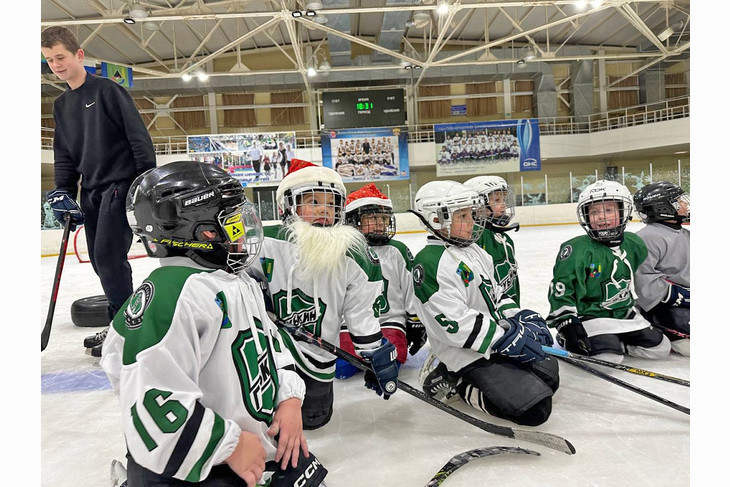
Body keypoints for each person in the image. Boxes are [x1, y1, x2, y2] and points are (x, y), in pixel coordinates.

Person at [99, 161, 327, 487]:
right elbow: (152, 403)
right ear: (200, 230)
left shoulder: (235, 280)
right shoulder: (172, 294)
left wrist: (289, 399)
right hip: (203, 462)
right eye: (231, 219)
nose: (244, 227)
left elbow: (271, 346)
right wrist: (227, 446)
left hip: (256, 441)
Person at [250, 159, 400, 430]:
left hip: (318, 354)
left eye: (331, 203)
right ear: (288, 206)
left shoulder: (354, 254)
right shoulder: (264, 243)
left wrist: (374, 352)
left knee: (315, 419)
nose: (324, 210)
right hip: (269, 352)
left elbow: (360, 311)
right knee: (261, 419)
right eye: (313, 201)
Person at [41, 26, 156, 357]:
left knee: (108, 257)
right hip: (91, 191)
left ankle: (124, 331)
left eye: (60, 57)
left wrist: (142, 187)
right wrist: (63, 191)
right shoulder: (62, 104)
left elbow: (139, 140)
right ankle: (122, 324)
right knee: (100, 260)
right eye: (49, 60)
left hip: (120, 186)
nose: (56, 65)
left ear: (79, 55)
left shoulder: (107, 90)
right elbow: (63, 154)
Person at [410, 180, 559, 427]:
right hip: (461, 350)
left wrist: (521, 317)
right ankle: (454, 380)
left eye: (472, 214)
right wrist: (503, 338)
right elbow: (455, 324)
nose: (472, 221)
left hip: (490, 339)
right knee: (534, 409)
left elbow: (497, 295)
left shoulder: (475, 251)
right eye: (462, 216)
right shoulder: (430, 262)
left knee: (549, 375)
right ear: (436, 219)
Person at [546, 179, 671, 364]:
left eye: (609, 210)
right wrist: (567, 323)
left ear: (623, 212)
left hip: (624, 313)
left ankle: (619, 341)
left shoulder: (634, 243)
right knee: (608, 359)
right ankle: (579, 340)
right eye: (594, 211)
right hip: (591, 316)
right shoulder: (576, 250)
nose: (601, 217)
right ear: (586, 216)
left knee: (661, 348)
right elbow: (561, 288)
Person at [335, 184, 425, 380]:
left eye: (383, 219)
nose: (379, 224)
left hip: (389, 321)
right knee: (341, 370)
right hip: (349, 325)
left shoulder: (397, 250)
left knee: (389, 365)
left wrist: (416, 323)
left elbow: (411, 289)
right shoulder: (342, 252)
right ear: (354, 222)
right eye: (372, 218)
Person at [633, 181, 690, 356]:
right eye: (680, 201)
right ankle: (661, 329)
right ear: (663, 207)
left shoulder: (685, 234)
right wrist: (683, 296)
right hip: (664, 306)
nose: (686, 204)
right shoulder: (647, 238)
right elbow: (644, 283)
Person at [464, 176, 521, 305]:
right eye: (496, 200)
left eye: (503, 199)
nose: (503, 204)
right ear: (477, 204)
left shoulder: (506, 239)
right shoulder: (474, 237)